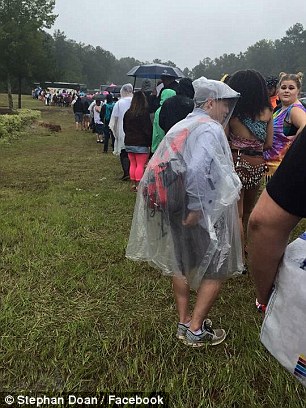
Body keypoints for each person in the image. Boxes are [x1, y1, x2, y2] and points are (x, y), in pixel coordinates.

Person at [126, 77, 243, 347]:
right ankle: (195, 330)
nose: (227, 110)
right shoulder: (209, 129)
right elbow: (199, 170)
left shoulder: (183, 124)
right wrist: (196, 209)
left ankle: (183, 321)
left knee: (180, 263)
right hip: (195, 209)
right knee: (215, 269)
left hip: (172, 204)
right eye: (224, 104)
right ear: (211, 102)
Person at [248, 125, 306, 311]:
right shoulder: (273, 110)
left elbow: (264, 222)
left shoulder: (294, 111)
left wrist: (265, 298)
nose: (285, 92)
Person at [227, 70, 273, 262]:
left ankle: (238, 258)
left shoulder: (233, 113)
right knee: (248, 213)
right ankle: (249, 250)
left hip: (236, 162)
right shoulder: (268, 111)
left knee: (236, 214)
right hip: (257, 165)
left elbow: (223, 139)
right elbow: (268, 144)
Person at [264, 72, 306, 178]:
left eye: (291, 88)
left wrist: (293, 144)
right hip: (269, 168)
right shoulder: (280, 109)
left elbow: (304, 127)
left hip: (281, 170)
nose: (286, 91)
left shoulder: (295, 109)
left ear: (298, 91)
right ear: (278, 90)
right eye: (283, 87)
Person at [123, 91, 152, 191]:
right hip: (141, 143)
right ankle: (139, 185)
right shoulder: (144, 113)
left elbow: (124, 127)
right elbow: (147, 129)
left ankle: (133, 184)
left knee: (133, 164)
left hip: (129, 142)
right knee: (140, 165)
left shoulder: (128, 113)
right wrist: (149, 142)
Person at [109, 83, 133, 180]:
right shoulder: (136, 101)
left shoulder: (119, 103)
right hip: (134, 130)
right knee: (132, 152)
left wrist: (114, 131)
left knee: (123, 152)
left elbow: (114, 118)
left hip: (122, 129)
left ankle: (126, 172)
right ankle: (133, 171)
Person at [151, 89, 176, 153]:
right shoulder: (171, 110)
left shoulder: (159, 111)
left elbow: (158, 130)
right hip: (165, 146)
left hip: (160, 145)